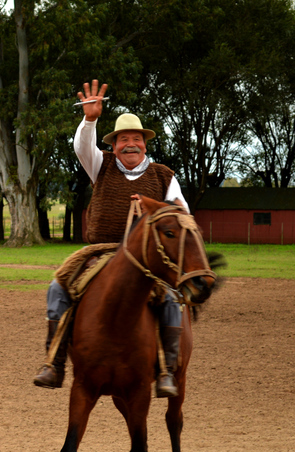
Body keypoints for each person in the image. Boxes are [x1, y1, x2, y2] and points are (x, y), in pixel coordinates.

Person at [33, 80, 189, 397]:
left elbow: (182, 214)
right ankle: (55, 362)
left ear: (145, 144)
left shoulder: (163, 175)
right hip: (102, 251)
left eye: (136, 139)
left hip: (148, 258)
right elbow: (82, 147)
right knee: (58, 286)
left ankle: (166, 371)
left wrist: (155, 209)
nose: (130, 145)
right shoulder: (100, 164)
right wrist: (89, 119)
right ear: (114, 144)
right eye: (123, 140)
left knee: (172, 297)